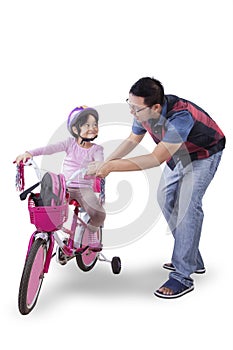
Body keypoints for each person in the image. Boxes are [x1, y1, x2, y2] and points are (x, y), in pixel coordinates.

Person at [87, 77, 226, 298]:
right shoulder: (143, 113)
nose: (132, 112)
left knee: (188, 205)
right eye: (129, 105)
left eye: (136, 108)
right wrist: (106, 163)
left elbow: (155, 159)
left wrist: (112, 167)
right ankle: (191, 258)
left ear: (156, 107)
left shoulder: (180, 117)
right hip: (178, 154)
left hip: (203, 154)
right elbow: (133, 140)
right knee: (164, 198)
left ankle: (182, 276)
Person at [15, 105, 105, 252]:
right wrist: (29, 153)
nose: (92, 128)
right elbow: (50, 148)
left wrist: (97, 168)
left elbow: (100, 162)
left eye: (95, 124)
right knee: (48, 207)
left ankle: (93, 232)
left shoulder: (97, 149)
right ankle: (53, 234)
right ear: (76, 130)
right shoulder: (69, 143)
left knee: (98, 213)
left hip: (83, 188)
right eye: (87, 125)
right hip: (65, 186)